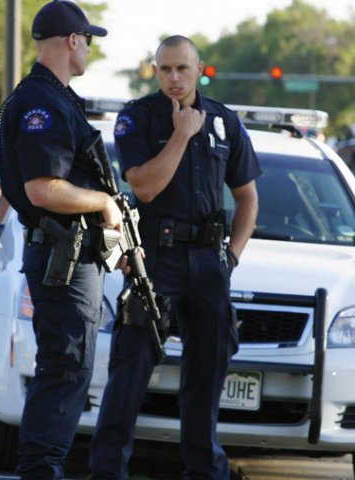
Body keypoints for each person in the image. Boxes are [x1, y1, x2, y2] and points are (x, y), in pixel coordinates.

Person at [89, 35, 261, 479]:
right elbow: (144, 186)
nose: (174, 78)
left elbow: (248, 199)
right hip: (155, 262)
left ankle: (205, 472)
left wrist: (232, 257)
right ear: (155, 71)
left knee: (206, 377)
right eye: (165, 69)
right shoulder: (138, 118)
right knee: (130, 371)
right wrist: (182, 135)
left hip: (209, 263)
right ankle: (108, 471)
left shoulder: (224, 122)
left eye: (182, 68)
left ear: (199, 69)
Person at [0, 2, 121, 479]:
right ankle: (41, 472)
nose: (89, 48)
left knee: (70, 367)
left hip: (74, 255)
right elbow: (42, 189)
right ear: (72, 40)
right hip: (62, 259)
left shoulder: (56, 98)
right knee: (66, 367)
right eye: (88, 39)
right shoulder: (41, 103)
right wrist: (103, 203)